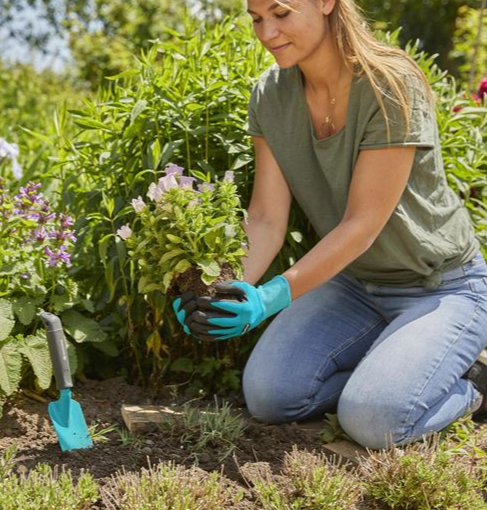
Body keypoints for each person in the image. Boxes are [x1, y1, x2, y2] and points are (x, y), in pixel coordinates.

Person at [173, 0, 487, 449]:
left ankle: (474, 386)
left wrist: (270, 298)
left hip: (441, 287)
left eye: (280, 14)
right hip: (355, 285)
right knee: (269, 396)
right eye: (257, 18)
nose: (266, 33)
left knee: (374, 420)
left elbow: (362, 224)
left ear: (325, 3)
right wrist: (215, 292)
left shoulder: (389, 84)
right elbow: (265, 218)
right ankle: (394, 371)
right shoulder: (270, 95)